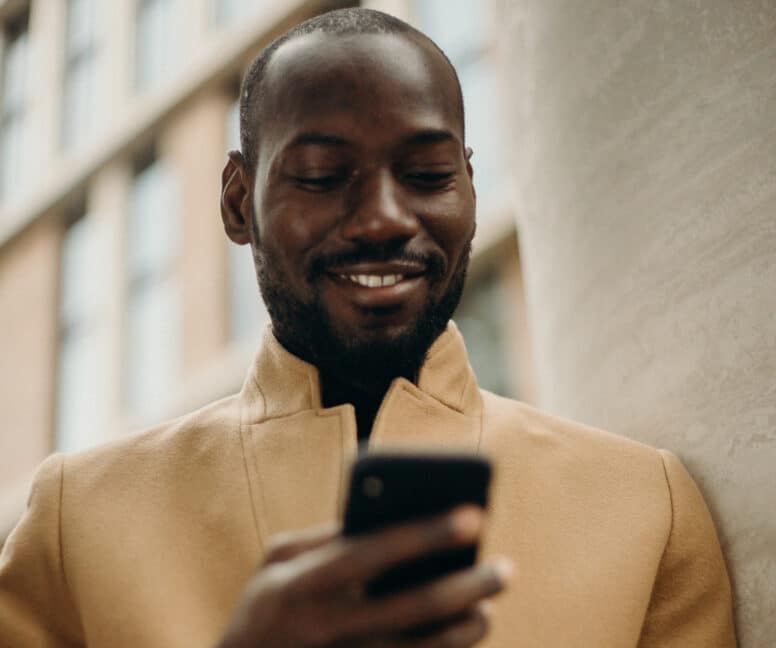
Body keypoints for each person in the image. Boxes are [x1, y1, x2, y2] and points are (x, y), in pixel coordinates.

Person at [0, 8, 736, 648]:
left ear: (471, 190)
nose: (386, 216)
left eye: (426, 175)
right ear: (237, 202)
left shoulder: (647, 508)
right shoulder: (79, 520)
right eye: (322, 177)